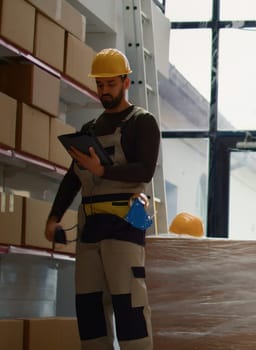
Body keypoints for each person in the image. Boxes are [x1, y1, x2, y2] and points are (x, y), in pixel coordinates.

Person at [44, 48, 160, 350]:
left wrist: (103, 170)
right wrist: (54, 217)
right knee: (89, 307)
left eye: (110, 84)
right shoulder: (89, 130)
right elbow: (72, 178)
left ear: (126, 83)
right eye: (100, 85)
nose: (104, 91)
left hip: (125, 224)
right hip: (90, 227)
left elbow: (145, 170)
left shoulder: (142, 122)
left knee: (129, 305)